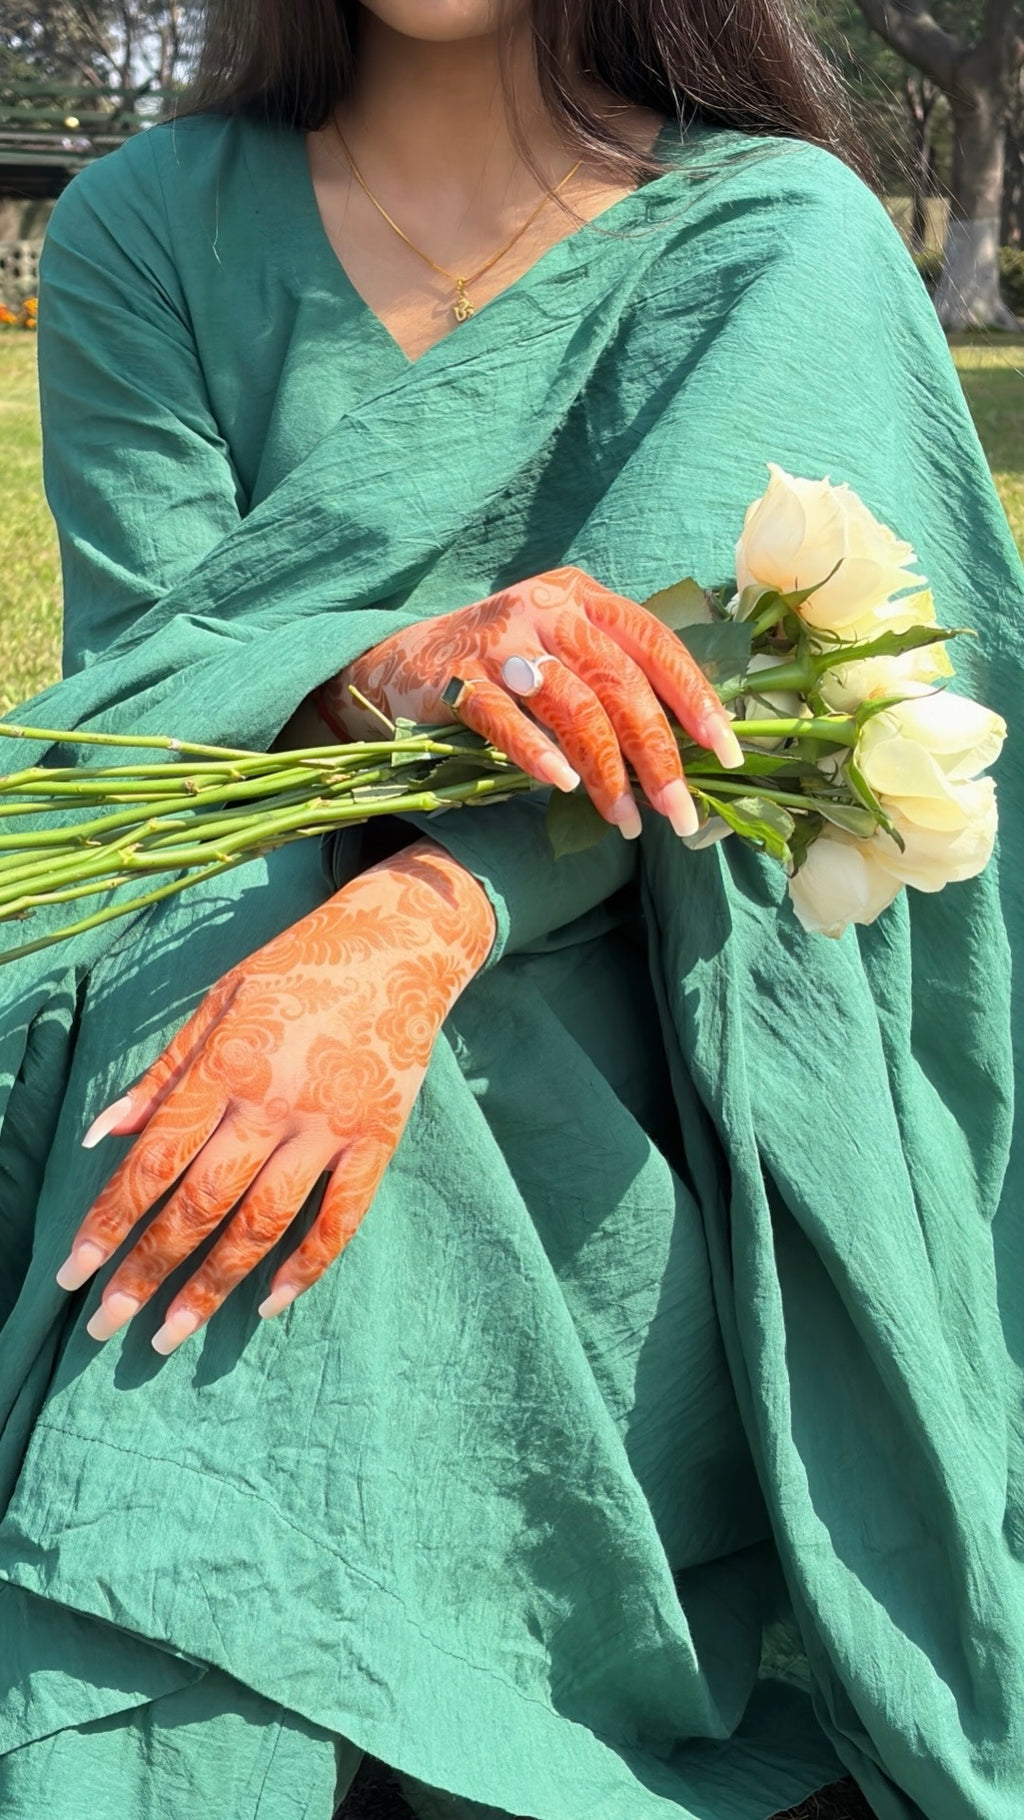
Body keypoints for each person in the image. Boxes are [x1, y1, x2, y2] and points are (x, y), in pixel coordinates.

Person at [0, 0, 1021, 1813]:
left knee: (290, 1124)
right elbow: (151, 694)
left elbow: (758, 719)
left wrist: (412, 929)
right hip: (222, 888)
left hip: (661, 990)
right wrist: (388, 667)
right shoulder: (147, 220)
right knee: (201, 1057)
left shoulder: (776, 230)